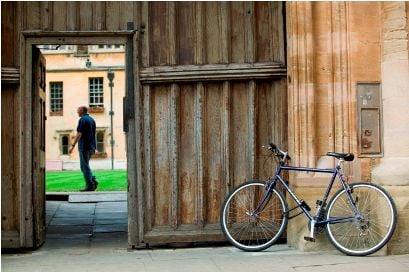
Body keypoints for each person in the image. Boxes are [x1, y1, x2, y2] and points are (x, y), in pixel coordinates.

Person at [69, 106, 98, 191]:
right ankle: (93, 180)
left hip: (84, 146)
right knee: (85, 165)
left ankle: (90, 185)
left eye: (78, 111)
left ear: (82, 111)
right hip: (91, 146)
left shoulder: (82, 120)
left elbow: (79, 134)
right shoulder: (91, 119)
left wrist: (73, 145)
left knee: (84, 166)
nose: (77, 112)